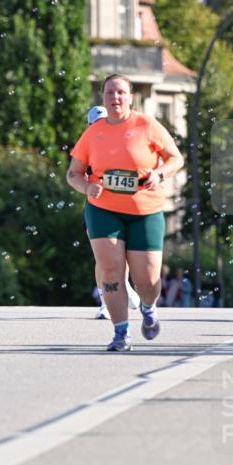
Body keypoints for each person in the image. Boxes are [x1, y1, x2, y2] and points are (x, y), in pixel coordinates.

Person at [67, 74, 184, 351]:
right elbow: (73, 173)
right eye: (110, 93)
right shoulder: (93, 132)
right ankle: (120, 333)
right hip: (103, 210)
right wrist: (85, 187)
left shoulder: (147, 125)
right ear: (103, 97)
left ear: (130, 96)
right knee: (110, 271)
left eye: (120, 92)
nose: (115, 98)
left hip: (146, 209)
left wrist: (159, 173)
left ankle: (148, 306)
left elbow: (175, 158)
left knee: (148, 279)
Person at [86, 105, 140, 321]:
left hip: (124, 207)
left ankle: (123, 287)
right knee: (103, 258)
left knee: (121, 258)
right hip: (98, 209)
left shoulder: (126, 144)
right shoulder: (86, 148)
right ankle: (104, 302)